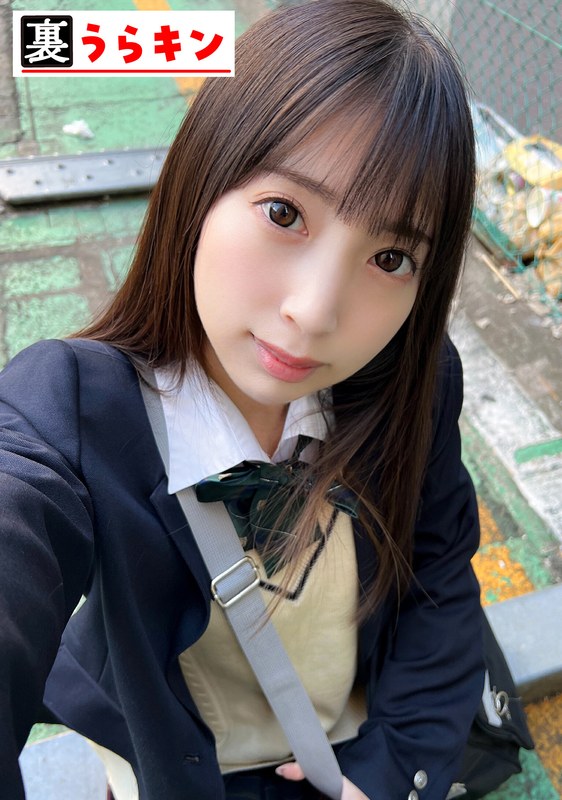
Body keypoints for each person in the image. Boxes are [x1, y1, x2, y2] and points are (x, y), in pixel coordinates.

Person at [0, 1, 485, 798]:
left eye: (391, 256)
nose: (315, 312)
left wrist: (396, 769)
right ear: (200, 183)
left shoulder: (414, 385)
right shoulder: (68, 415)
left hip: (346, 752)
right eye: (285, 213)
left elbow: (438, 577)